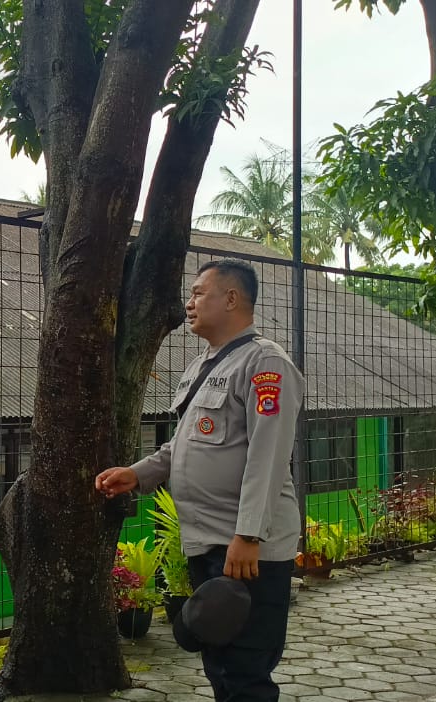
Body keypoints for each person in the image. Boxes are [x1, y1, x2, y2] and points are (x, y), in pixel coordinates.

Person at [94, 259, 303, 702]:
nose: (188, 304)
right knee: (219, 663)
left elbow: (268, 456)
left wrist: (248, 534)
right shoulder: (199, 367)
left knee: (245, 668)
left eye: (198, 293)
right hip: (208, 543)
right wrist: (137, 474)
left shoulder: (265, 363)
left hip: (246, 548)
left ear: (231, 298)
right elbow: (183, 446)